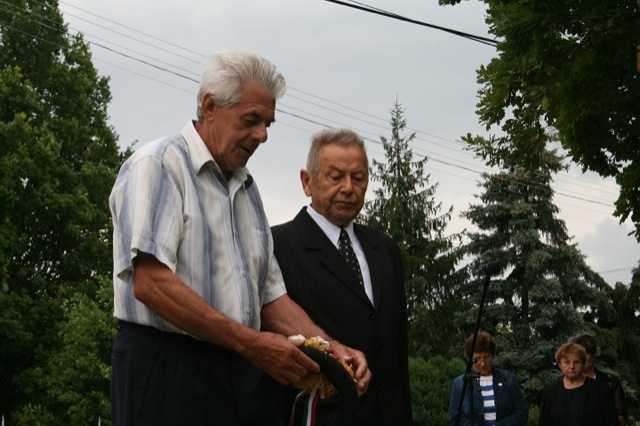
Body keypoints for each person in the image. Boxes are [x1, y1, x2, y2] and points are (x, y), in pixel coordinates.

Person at [108, 49, 371, 426]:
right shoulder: (159, 164)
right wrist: (252, 344)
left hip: (238, 367)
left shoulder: (248, 189)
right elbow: (150, 284)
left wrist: (332, 351)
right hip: (167, 368)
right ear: (210, 106)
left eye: (268, 123)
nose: (262, 135)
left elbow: (271, 298)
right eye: (251, 120)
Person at [263, 128, 412, 425]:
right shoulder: (276, 245)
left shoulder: (384, 249)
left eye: (358, 178)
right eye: (335, 177)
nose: (348, 188)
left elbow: (396, 350)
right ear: (307, 181)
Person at [448, 331, 528, 426]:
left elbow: (521, 412)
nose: (482, 364)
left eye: (486, 357)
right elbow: (455, 418)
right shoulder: (461, 383)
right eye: (477, 359)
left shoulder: (508, 379)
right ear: (469, 359)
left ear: (493, 356)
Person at [538, 342, 617, 426]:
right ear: (560, 365)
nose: (571, 367)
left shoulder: (601, 390)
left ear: (583, 364)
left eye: (576, 362)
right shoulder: (550, 394)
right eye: (567, 362)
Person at [568, 333, 628, 426]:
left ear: (594, 355)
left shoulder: (610, 382)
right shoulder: (564, 383)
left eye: (585, 354)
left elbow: (620, 416)